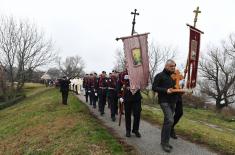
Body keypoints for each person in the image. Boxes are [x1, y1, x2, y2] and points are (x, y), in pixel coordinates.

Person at [152, 59, 178, 153]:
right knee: (170, 120)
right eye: (171, 66)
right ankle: (164, 143)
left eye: (174, 66)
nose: (173, 68)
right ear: (166, 66)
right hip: (164, 101)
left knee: (167, 121)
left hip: (173, 101)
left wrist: (182, 91)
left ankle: (164, 142)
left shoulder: (173, 77)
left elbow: (175, 89)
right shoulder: (159, 76)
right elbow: (154, 87)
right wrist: (165, 90)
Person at [118, 69, 142, 138]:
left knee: (137, 114)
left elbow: (142, 82)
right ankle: (128, 130)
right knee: (127, 114)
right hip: (127, 96)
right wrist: (120, 96)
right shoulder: (122, 74)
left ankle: (135, 129)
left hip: (136, 97)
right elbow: (119, 85)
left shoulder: (138, 72)